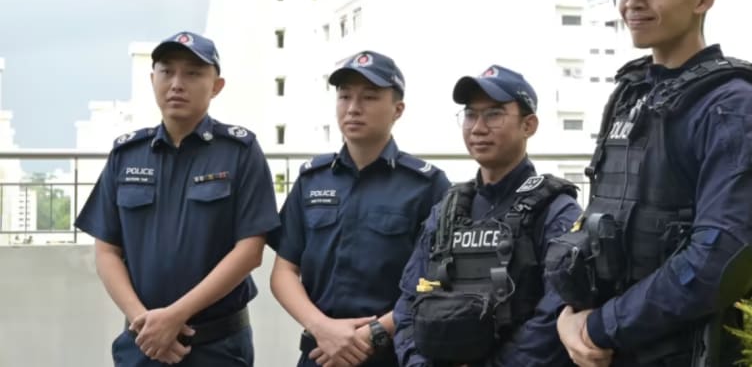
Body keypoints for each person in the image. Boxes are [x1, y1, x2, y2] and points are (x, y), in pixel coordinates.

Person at [548, 0, 752, 367]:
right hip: (606, 345)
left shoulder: (733, 104)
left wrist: (599, 326)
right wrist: (568, 315)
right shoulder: (630, 92)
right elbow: (600, 225)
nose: (633, 2)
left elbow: (725, 256)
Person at [74, 31, 280, 366]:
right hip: (142, 343)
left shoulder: (240, 152)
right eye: (167, 72)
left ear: (216, 86)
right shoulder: (126, 154)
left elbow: (250, 251)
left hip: (218, 346)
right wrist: (145, 323)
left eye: (193, 73)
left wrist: (175, 317)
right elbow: (107, 251)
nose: (177, 84)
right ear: (152, 79)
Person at [269, 50, 451, 367]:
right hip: (319, 352)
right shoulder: (312, 179)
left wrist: (372, 334)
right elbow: (284, 271)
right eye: (344, 96)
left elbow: (438, 280)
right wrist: (321, 327)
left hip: (393, 353)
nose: (353, 108)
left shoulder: (427, 185)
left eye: (369, 97)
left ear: (398, 109)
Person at [394, 65, 582, 367]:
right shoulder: (447, 210)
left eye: (494, 115)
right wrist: (417, 363)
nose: (478, 128)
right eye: (470, 115)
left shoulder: (556, 209)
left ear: (528, 125)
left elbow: (557, 313)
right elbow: (407, 302)